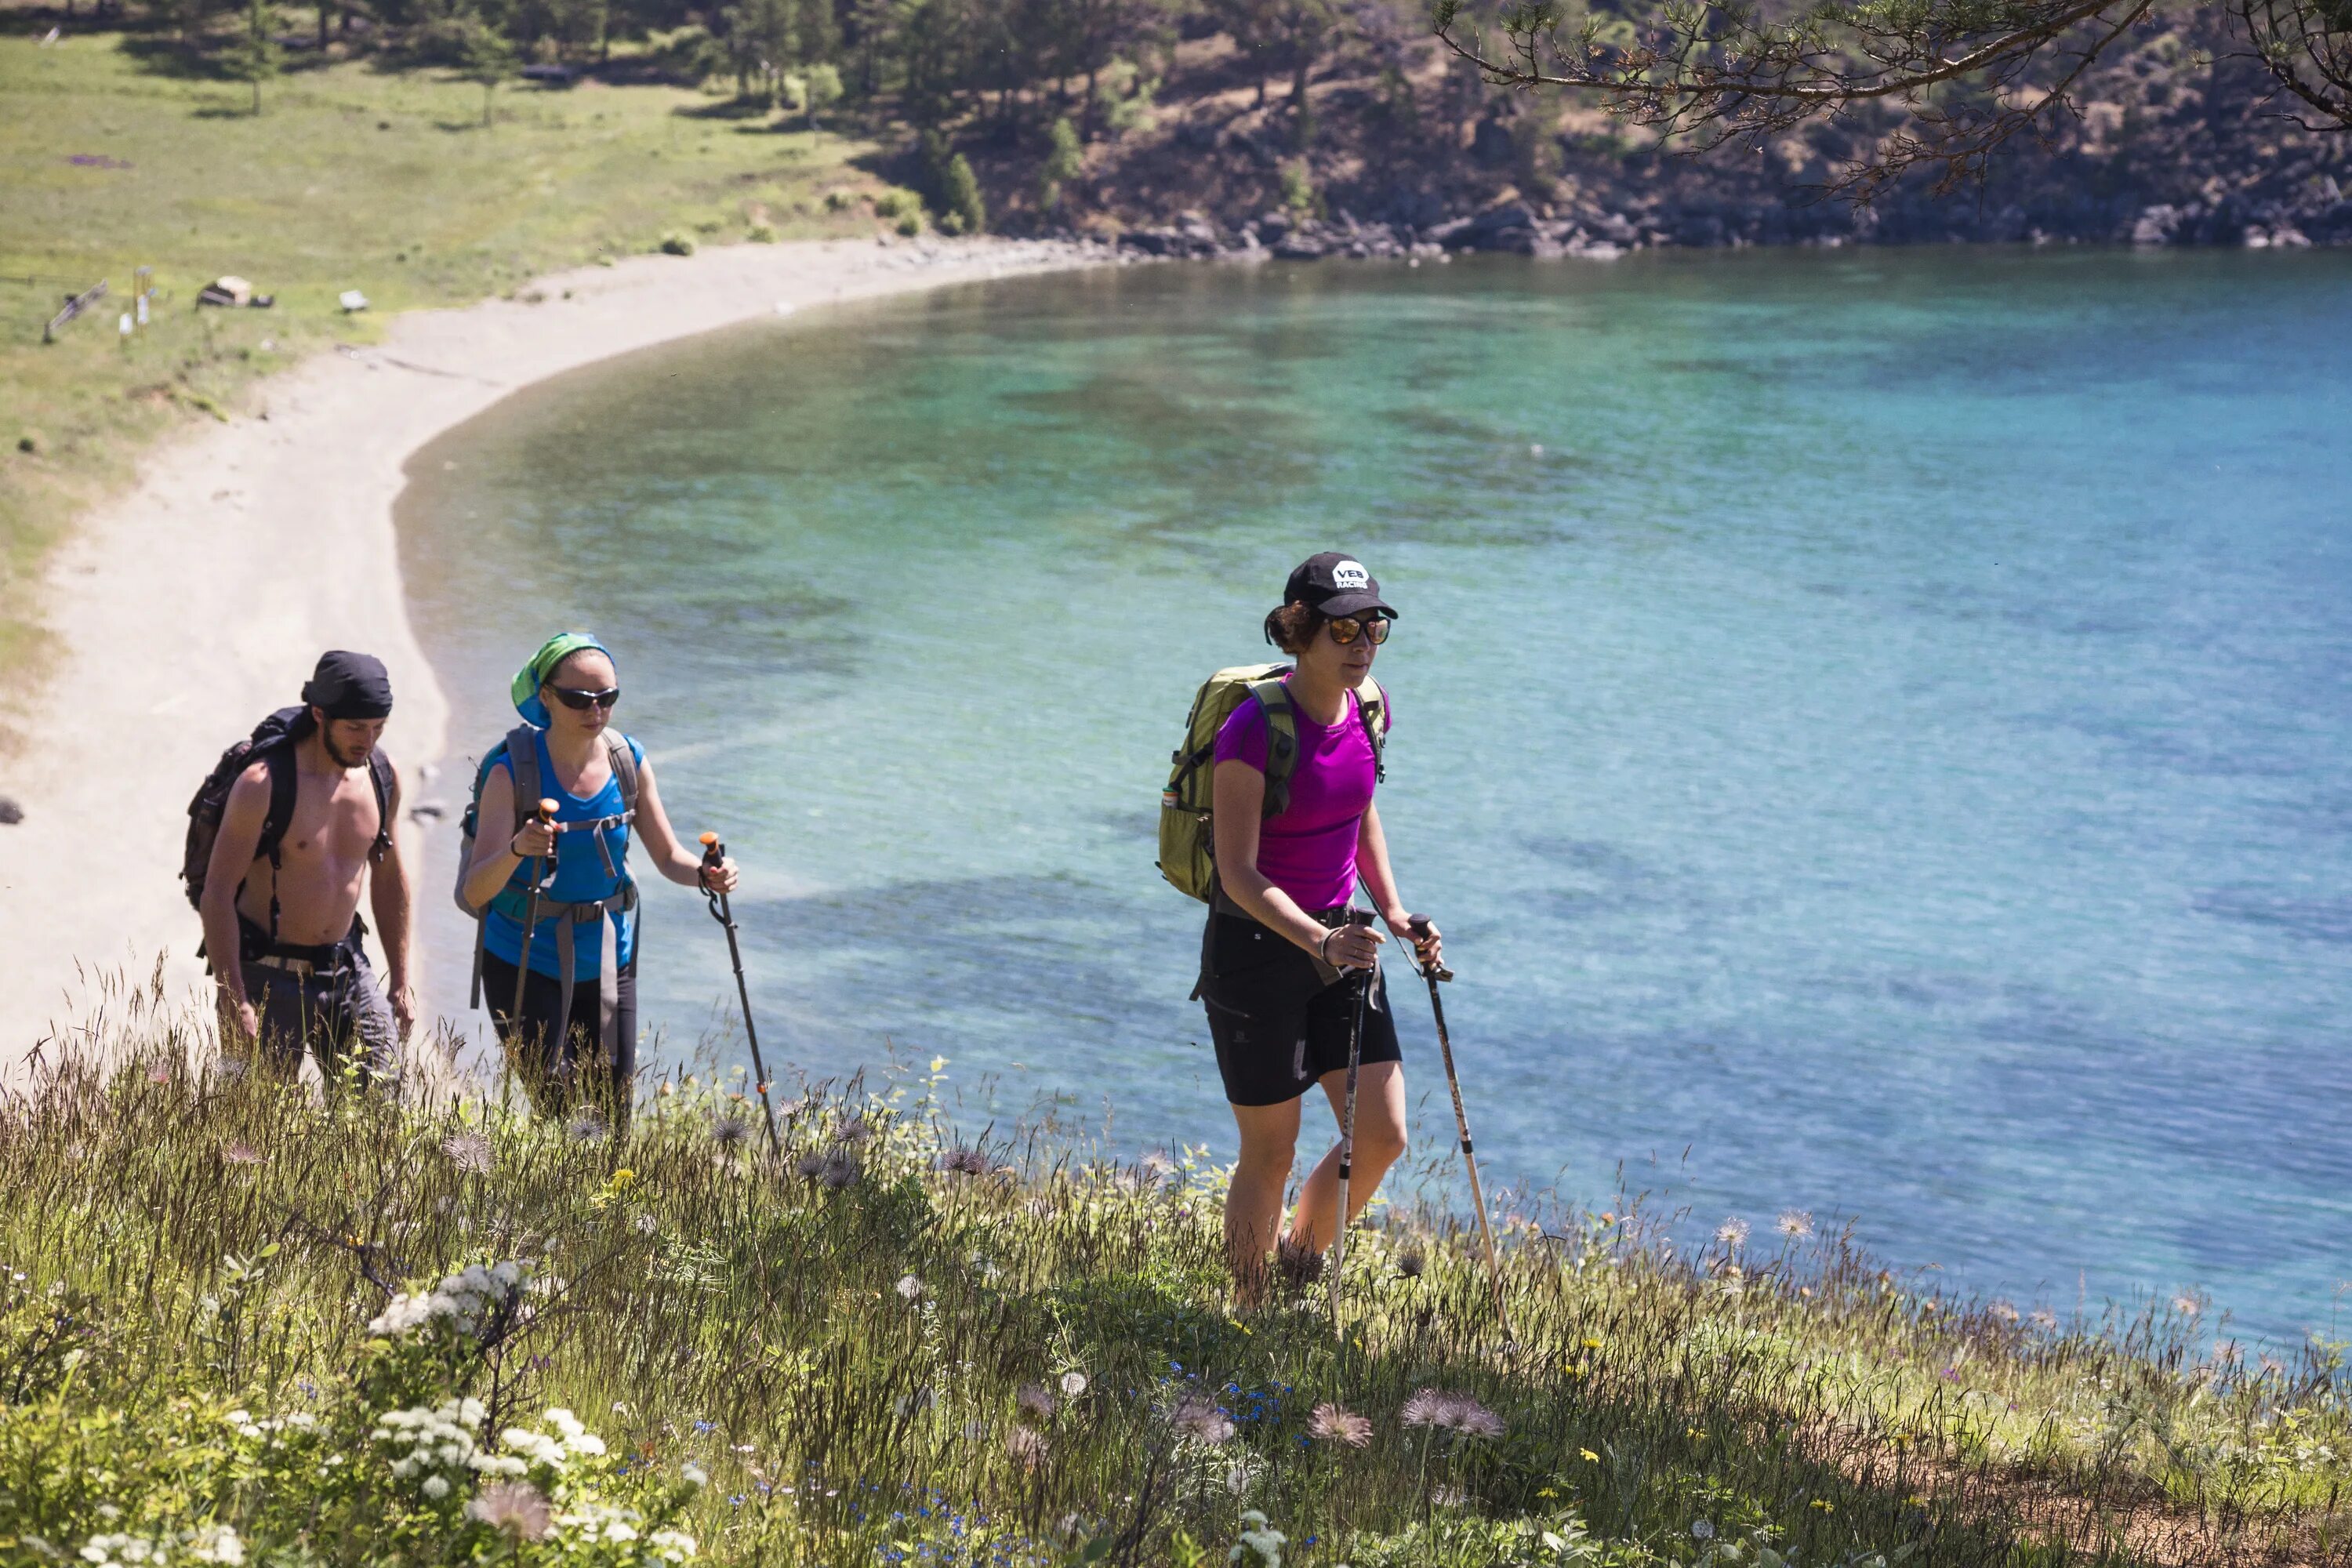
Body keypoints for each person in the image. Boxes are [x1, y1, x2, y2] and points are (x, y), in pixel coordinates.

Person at [1201, 552, 1443, 1301]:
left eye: (1374, 625)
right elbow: (1236, 870)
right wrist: (1316, 938)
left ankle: (1298, 1262)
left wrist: (1395, 912)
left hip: (1345, 945)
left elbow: (1359, 808)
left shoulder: (1370, 707)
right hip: (1256, 951)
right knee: (1269, 1153)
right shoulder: (1251, 730)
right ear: (1299, 632)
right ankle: (1243, 1313)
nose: (1362, 643)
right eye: (1343, 630)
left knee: (1382, 1135)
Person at [459, 633, 738, 1123]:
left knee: (613, 1120)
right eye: (579, 699)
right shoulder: (511, 775)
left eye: (608, 697)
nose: (596, 710)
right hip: (523, 961)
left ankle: (607, 1203)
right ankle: (556, 1200)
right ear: (545, 697)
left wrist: (706, 875)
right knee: (563, 1114)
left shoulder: (627, 761)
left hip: (610, 960)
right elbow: (475, 889)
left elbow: (669, 856)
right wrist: (516, 850)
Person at [200, 650, 413, 1085]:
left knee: (378, 1113)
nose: (367, 741)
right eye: (355, 728)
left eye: (378, 728)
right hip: (266, 978)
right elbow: (218, 892)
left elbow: (389, 877)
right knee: (254, 1128)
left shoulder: (380, 775)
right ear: (319, 714)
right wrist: (233, 998)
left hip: (347, 969)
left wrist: (401, 979)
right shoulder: (263, 784)